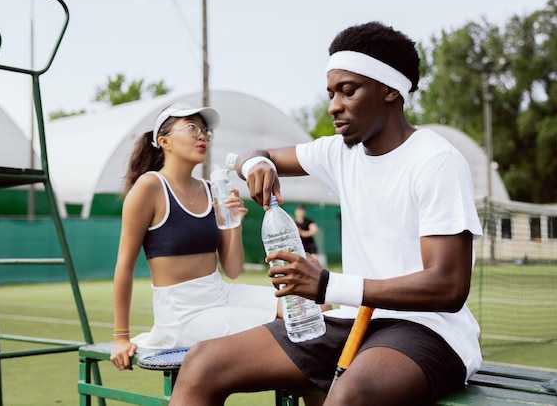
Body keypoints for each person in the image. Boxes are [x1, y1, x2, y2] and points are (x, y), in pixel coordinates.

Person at [168, 22, 483, 406]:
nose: (334, 105)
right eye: (331, 92)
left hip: (427, 329)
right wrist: (256, 168)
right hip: (354, 322)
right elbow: (252, 155)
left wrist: (327, 285)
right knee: (202, 363)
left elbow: (448, 287)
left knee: (350, 395)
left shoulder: (435, 160)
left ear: (389, 91)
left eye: (348, 91)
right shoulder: (339, 152)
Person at [109, 103, 280, 371]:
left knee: (312, 305)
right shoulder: (150, 187)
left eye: (204, 130)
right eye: (191, 127)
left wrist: (233, 223)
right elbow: (124, 265)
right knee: (289, 322)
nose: (201, 135)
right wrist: (121, 337)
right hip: (183, 314)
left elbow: (233, 270)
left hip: (220, 294)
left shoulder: (213, 190)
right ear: (163, 141)